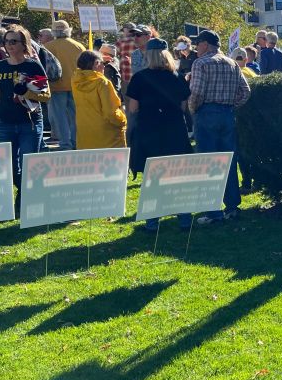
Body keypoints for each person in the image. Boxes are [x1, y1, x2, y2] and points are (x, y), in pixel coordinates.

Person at [125, 38, 193, 232]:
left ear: (148, 55)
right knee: (178, 175)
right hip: (174, 129)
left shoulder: (140, 78)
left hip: (149, 130)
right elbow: (183, 105)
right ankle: (184, 218)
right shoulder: (176, 76)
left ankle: (152, 222)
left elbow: (133, 107)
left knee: (152, 177)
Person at [189, 30, 251, 224]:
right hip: (227, 114)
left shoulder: (200, 63)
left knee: (208, 163)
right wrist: (231, 105)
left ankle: (212, 211)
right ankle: (232, 206)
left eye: (197, 44)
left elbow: (197, 93)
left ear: (205, 44)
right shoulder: (232, 63)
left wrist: (193, 109)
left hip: (206, 113)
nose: (196, 48)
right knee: (229, 162)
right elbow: (246, 91)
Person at [0, 25, 51, 210]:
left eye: (14, 41)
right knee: (9, 167)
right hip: (5, 122)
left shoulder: (32, 65)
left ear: (24, 44)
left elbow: (46, 95)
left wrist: (27, 93)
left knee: (28, 163)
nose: (9, 45)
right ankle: (22, 191)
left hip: (29, 123)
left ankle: (23, 201)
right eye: (6, 41)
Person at [71, 50, 127, 149]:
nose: (104, 66)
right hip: (106, 134)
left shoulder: (75, 80)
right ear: (96, 64)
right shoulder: (102, 83)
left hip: (84, 130)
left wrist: (99, 58)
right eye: (102, 63)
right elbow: (110, 112)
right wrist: (123, 120)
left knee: (90, 161)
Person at [44, 20, 86, 151]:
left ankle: (65, 144)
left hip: (56, 87)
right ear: (69, 30)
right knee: (75, 117)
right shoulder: (79, 46)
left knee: (60, 118)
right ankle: (75, 142)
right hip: (76, 86)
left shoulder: (47, 47)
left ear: (53, 31)